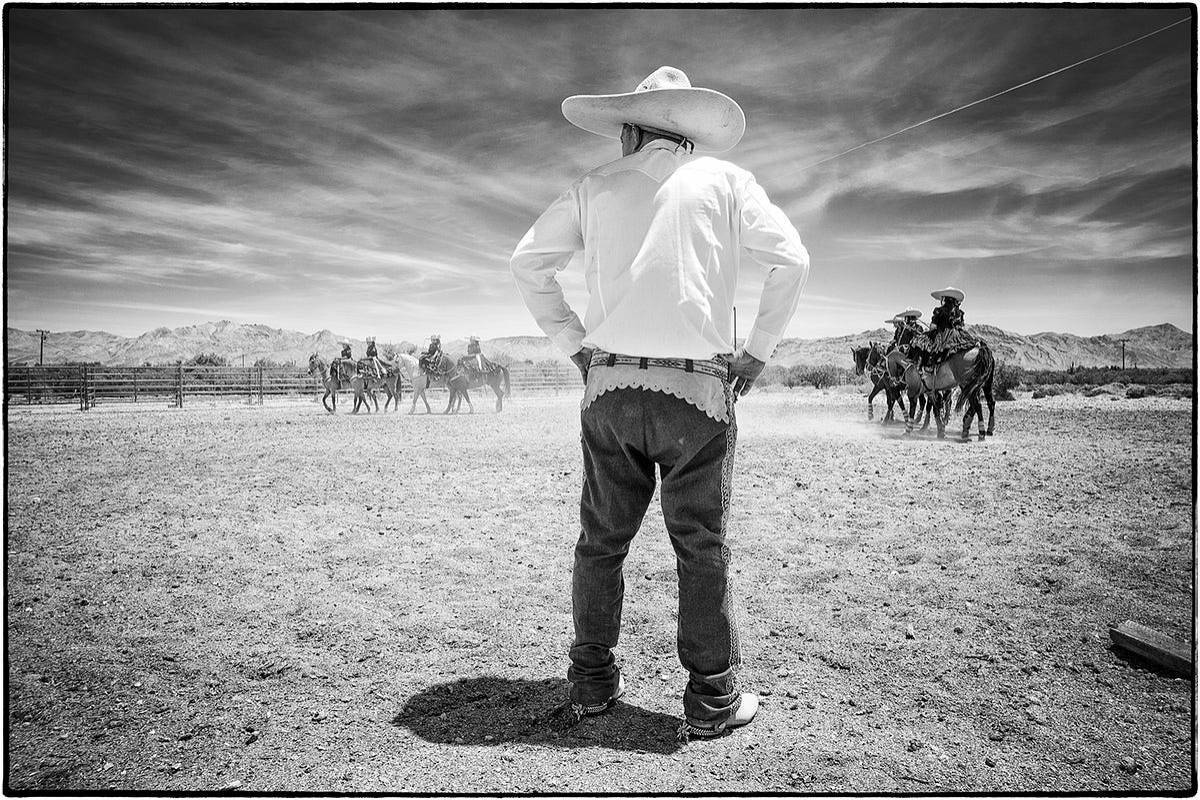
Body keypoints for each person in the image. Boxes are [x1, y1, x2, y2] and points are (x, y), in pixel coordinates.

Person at [510, 66, 809, 740]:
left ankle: (591, 685)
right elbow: (791, 259)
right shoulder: (728, 183)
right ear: (682, 131)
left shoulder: (595, 186)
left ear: (635, 128)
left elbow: (526, 262)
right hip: (697, 394)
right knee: (700, 547)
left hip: (610, 388)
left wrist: (574, 344)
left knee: (600, 544)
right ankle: (711, 700)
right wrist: (757, 350)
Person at [911, 287, 974, 371]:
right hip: (957, 335)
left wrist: (931, 329)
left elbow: (933, 326)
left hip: (942, 335)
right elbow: (960, 326)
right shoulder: (959, 312)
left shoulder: (939, 310)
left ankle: (925, 367)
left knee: (922, 342)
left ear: (944, 299)